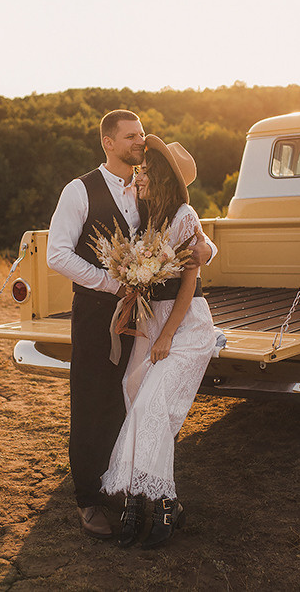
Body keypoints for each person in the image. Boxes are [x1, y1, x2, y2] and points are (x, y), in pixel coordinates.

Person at [47, 111, 215, 540]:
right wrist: (113, 283)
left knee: (128, 401)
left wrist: (205, 247)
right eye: (131, 136)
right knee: (90, 403)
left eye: (142, 134)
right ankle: (88, 500)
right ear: (108, 142)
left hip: (140, 319)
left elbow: (178, 227)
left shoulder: (145, 192)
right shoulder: (79, 190)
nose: (140, 141)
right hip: (95, 313)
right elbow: (58, 255)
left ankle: (121, 486)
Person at [100, 135, 217, 549]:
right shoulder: (144, 220)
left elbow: (189, 282)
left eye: (146, 172)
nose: (139, 177)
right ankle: (156, 502)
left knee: (152, 405)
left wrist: (168, 334)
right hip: (150, 323)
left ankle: (148, 503)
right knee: (134, 392)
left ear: (163, 176)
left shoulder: (185, 216)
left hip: (185, 326)